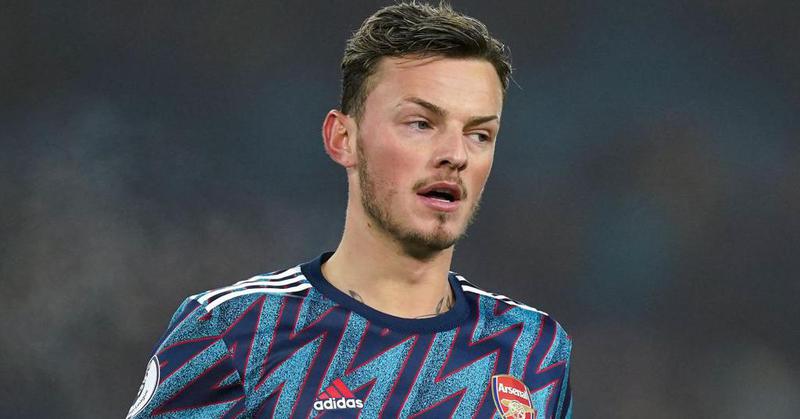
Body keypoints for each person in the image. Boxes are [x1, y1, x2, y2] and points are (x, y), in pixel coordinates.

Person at [127, 2, 572, 418]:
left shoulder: (533, 348)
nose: (456, 155)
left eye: (479, 134)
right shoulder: (233, 331)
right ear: (343, 139)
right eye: (421, 123)